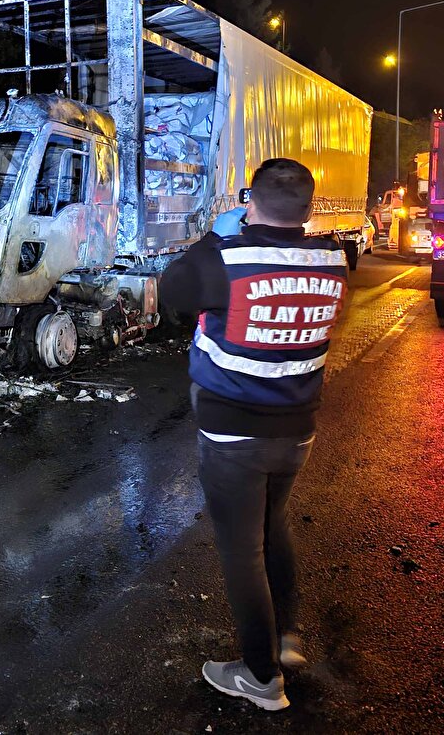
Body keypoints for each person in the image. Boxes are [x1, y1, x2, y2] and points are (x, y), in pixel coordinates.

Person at [159, 158, 348, 711]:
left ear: (250, 200)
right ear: (309, 208)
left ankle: (262, 678)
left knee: (242, 551)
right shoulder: (334, 259)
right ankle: (285, 641)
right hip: (297, 430)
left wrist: (211, 237)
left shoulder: (226, 257)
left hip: (232, 434)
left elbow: (171, 291)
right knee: (273, 525)